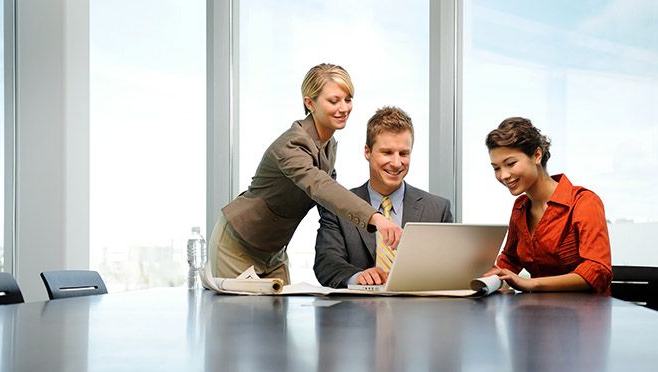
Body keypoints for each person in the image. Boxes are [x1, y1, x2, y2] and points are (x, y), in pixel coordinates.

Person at [208, 63, 402, 284]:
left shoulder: (329, 145)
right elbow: (321, 187)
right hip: (239, 244)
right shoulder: (292, 144)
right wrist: (377, 218)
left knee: (278, 316)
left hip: (275, 250)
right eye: (333, 100)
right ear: (309, 102)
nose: (344, 108)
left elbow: (331, 203)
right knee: (239, 316)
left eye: (348, 99)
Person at [314, 106, 453, 288]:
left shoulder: (437, 209)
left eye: (403, 153)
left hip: (419, 312)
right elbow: (326, 263)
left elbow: (448, 267)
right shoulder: (338, 207)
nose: (396, 163)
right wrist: (357, 277)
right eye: (387, 152)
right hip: (356, 313)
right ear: (367, 152)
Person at [484, 117, 612, 294]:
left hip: (585, 316)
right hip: (537, 315)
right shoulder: (520, 207)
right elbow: (510, 260)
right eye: (496, 168)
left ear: (537, 155)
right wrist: (483, 280)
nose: (503, 175)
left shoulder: (583, 202)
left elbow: (598, 270)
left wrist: (529, 283)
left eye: (511, 163)